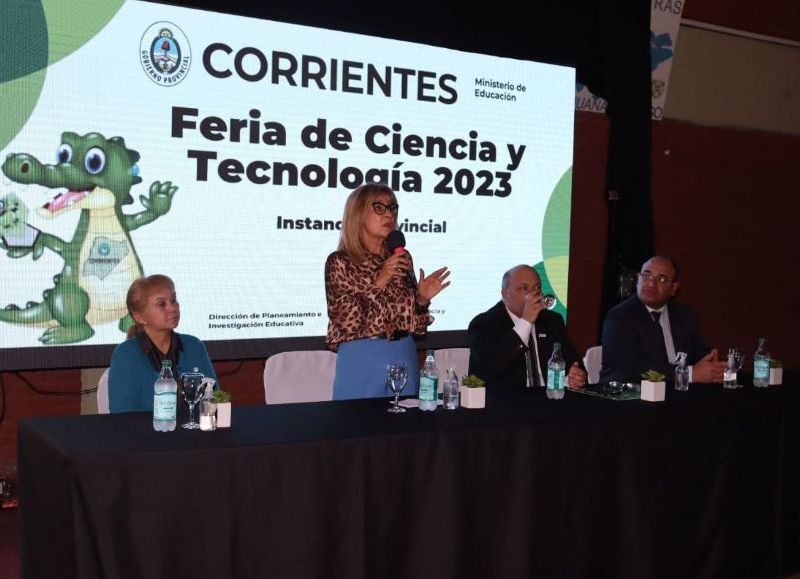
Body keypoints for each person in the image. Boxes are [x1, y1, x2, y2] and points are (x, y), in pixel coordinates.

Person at [325, 183, 450, 400]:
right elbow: (346, 321)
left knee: (406, 429)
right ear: (358, 213)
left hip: (403, 352)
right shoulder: (341, 262)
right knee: (357, 428)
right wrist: (380, 280)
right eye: (379, 208)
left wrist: (421, 299)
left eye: (392, 208)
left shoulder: (402, 257)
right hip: (361, 357)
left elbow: (417, 328)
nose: (389, 214)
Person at [600, 255, 725, 383]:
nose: (651, 283)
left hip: (678, 394)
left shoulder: (683, 314)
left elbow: (698, 353)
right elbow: (629, 370)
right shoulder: (619, 317)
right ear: (638, 279)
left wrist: (712, 365)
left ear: (674, 288)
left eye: (662, 279)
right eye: (647, 276)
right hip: (632, 396)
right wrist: (688, 374)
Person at [108, 274, 217, 413]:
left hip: (194, 431)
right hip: (145, 433)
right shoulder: (126, 355)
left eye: (174, 300)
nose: (173, 308)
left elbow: (213, 398)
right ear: (139, 316)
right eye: (161, 304)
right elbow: (122, 412)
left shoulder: (194, 346)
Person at [467, 264, 586, 391]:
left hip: (550, 402)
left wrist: (575, 377)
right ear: (505, 294)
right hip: (507, 404)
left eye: (537, 288)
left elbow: (575, 365)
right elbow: (486, 373)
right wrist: (525, 322)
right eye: (524, 288)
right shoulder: (484, 324)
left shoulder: (552, 320)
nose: (533, 294)